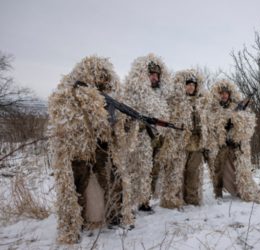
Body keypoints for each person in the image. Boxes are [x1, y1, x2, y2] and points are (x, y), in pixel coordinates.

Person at [48, 55, 134, 244]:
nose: (102, 80)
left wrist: (125, 125)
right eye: (99, 76)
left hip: (102, 150)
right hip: (78, 150)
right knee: (77, 186)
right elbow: (63, 122)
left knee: (112, 181)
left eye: (105, 77)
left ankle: (114, 217)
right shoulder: (71, 94)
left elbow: (113, 128)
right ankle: (74, 225)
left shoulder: (111, 98)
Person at [122, 53, 171, 212]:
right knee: (134, 171)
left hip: (155, 139)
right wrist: (139, 126)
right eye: (152, 74)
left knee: (149, 171)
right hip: (139, 139)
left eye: (157, 75)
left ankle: (144, 201)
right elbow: (126, 116)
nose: (155, 77)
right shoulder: (134, 93)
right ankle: (128, 205)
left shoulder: (161, 95)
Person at [207, 79, 260, 203]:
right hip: (221, 145)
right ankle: (218, 194)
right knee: (218, 169)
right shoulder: (214, 109)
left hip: (235, 145)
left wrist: (236, 120)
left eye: (226, 93)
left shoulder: (236, 107)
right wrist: (223, 126)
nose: (224, 95)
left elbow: (247, 124)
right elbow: (211, 126)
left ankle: (241, 190)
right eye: (221, 93)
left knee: (239, 169)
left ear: (229, 94)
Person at [157, 69, 209, 208]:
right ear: (183, 85)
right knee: (176, 172)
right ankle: (172, 200)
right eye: (188, 84)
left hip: (196, 143)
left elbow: (207, 122)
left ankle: (192, 199)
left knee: (194, 172)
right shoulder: (175, 101)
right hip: (179, 143)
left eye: (193, 84)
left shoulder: (201, 102)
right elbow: (167, 119)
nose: (191, 87)